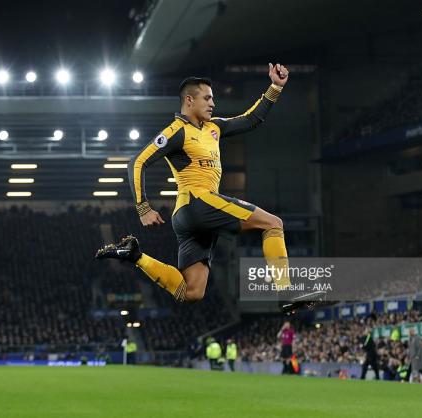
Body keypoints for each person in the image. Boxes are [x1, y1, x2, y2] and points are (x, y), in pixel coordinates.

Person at [96, 63, 304, 311]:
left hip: (189, 216)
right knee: (273, 224)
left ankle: (135, 256)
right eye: (207, 98)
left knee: (192, 291)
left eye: (212, 99)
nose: (212, 104)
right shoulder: (176, 131)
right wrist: (143, 208)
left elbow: (251, 119)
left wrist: (275, 87)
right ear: (189, 100)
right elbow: (137, 162)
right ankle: (287, 292)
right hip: (198, 203)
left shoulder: (214, 127)